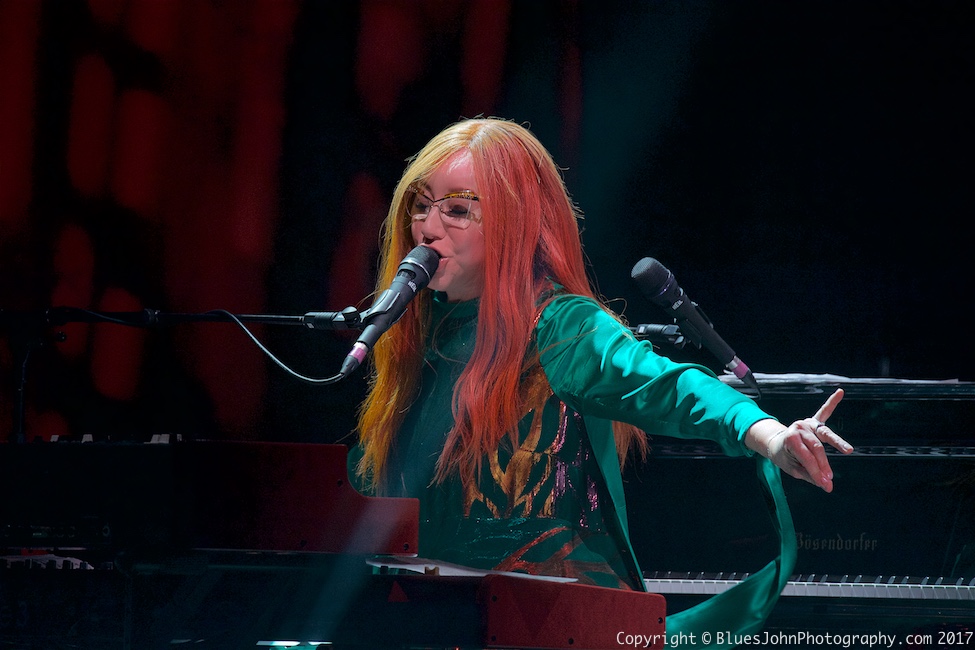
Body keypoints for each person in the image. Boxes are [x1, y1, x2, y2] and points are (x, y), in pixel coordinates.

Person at [348, 117, 853, 641]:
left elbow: (665, 383)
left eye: (456, 209)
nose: (428, 227)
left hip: (549, 623)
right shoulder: (418, 340)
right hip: (440, 622)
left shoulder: (559, 324)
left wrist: (770, 435)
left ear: (513, 223)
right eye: (421, 205)